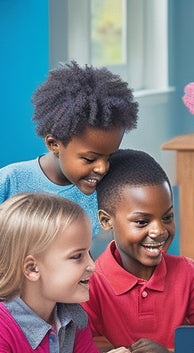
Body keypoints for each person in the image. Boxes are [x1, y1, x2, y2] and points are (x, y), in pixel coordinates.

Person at [82, 149, 194, 353]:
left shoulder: (189, 273)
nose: (159, 231)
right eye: (142, 222)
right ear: (106, 221)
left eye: (167, 217)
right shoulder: (90, 282)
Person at [0, 193, 132, 353]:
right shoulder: (3, 326)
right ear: (32, 268)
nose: (92, 265)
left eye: (89, 253)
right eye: (77, 256)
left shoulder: (71, 313)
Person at [0, 61, 138, 237]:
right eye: (90, 159)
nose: (102, 168)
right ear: (53, 144)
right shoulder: (10, 182)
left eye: (109, 157)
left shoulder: (105, 192)